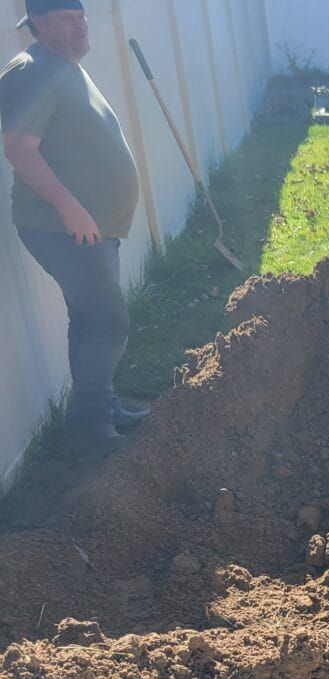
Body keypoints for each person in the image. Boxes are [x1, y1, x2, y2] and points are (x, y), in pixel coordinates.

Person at [1, 0, 148, 451]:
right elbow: (19, 148)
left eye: (81, 15)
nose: (81, 24)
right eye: (68, 18)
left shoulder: (63, 67)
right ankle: (91, 426)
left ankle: (99, 410)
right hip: (61, 226)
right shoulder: (31, 69)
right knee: (107, 320)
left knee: (89, 319)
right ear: (38, 24)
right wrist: (69, 207)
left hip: (90, 226)